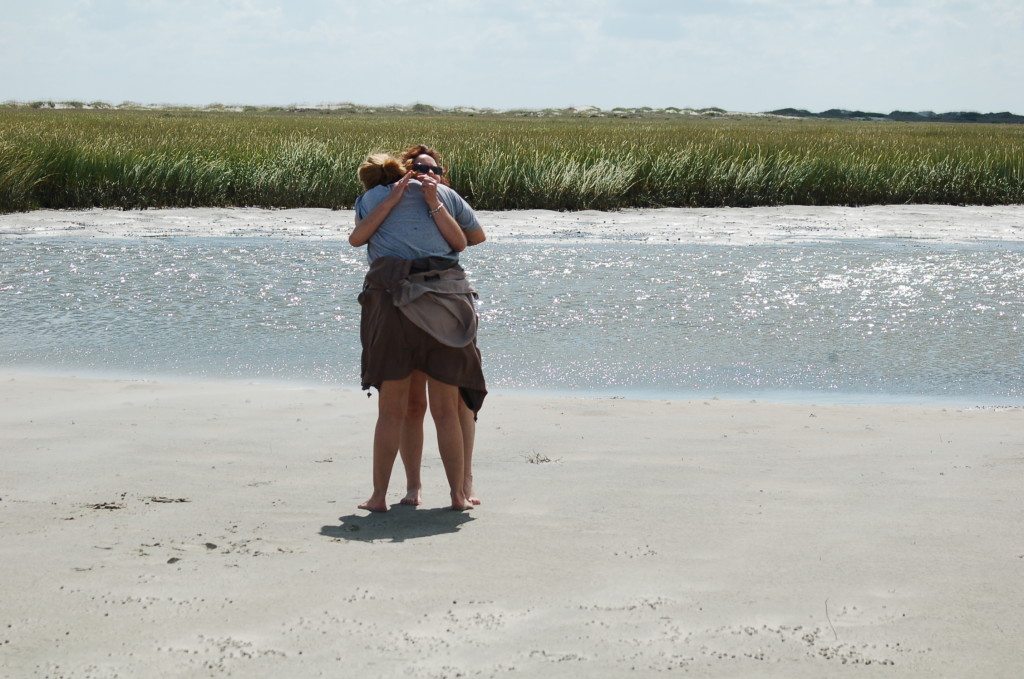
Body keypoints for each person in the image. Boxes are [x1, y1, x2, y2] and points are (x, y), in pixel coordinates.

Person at [350, 145, 486, 512]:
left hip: (392, 304)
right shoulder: (445, 192)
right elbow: (467, 241)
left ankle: (380, 496)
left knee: (393, 409)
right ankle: (457, 495)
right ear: (404, 169)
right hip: (444, 301)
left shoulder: (371, 198)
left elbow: (357, 238)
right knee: (444, 410)